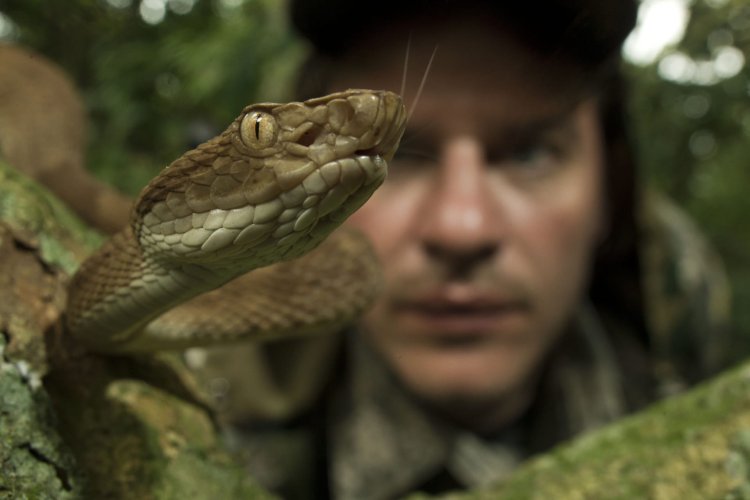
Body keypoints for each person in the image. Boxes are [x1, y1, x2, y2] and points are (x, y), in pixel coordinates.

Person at [182, 1, 732, 498]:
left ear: (608, 194)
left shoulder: (680, 351)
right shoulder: (199, 415)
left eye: (529, 154)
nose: (462, 228)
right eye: (393, 154)